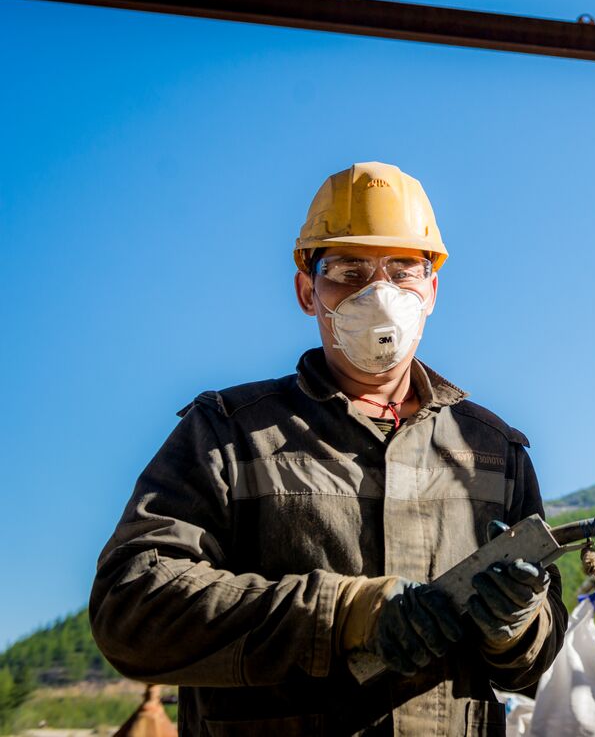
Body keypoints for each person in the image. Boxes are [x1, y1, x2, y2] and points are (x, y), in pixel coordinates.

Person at [90, 162, 566, 736]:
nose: (380, 294)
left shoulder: (494, 452)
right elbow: (131, 606)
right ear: (306, 290)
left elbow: (540, 665)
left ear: (432, 291)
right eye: (349, 270)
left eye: (403, 270)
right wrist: (342, 614)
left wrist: (516, 624)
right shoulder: (228, 433)